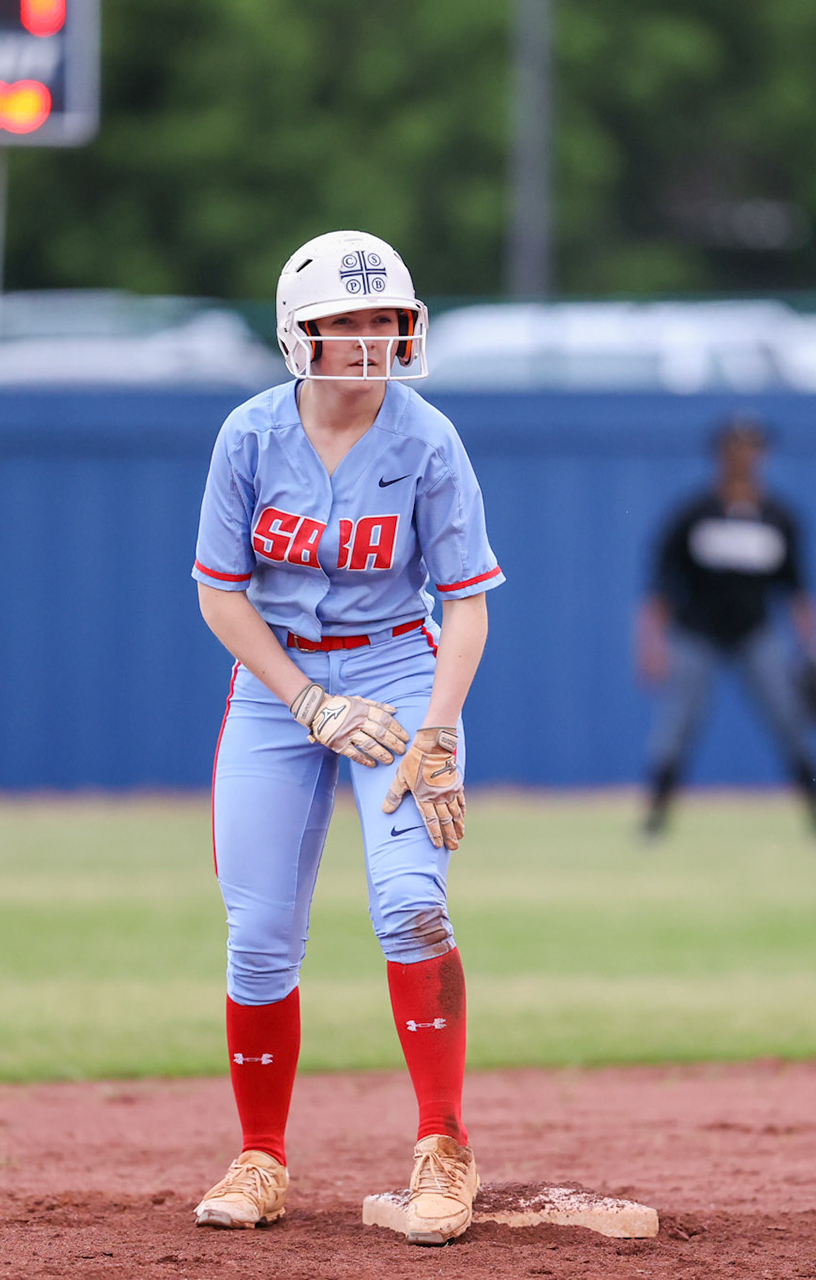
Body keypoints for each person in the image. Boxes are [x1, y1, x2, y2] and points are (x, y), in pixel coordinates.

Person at [188, 230, 503, 1245]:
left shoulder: (426, 439)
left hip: (397, 669)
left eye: (383, 320)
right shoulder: (247, 436)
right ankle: (262, 1155)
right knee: (259, 931)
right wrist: (307, 702)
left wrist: (440, 730)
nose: (368, 342)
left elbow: (465, 605)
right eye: (344, 322)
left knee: (412, 905)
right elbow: (219, 595)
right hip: (278, 679)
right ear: (297, 333)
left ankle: (444, 1147)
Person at [635, 414, 816, 840]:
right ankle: (653, 826)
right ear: (720, 454)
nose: (744, 456)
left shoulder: (778, 518)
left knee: (791, 723)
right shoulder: (695, 514)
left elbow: (798, 590)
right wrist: (651, 645)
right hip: (696, 635)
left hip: (756, 634)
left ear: (763, 455)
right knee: (676, 728)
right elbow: (660, 586)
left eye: (752, 448)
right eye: (735, 448)